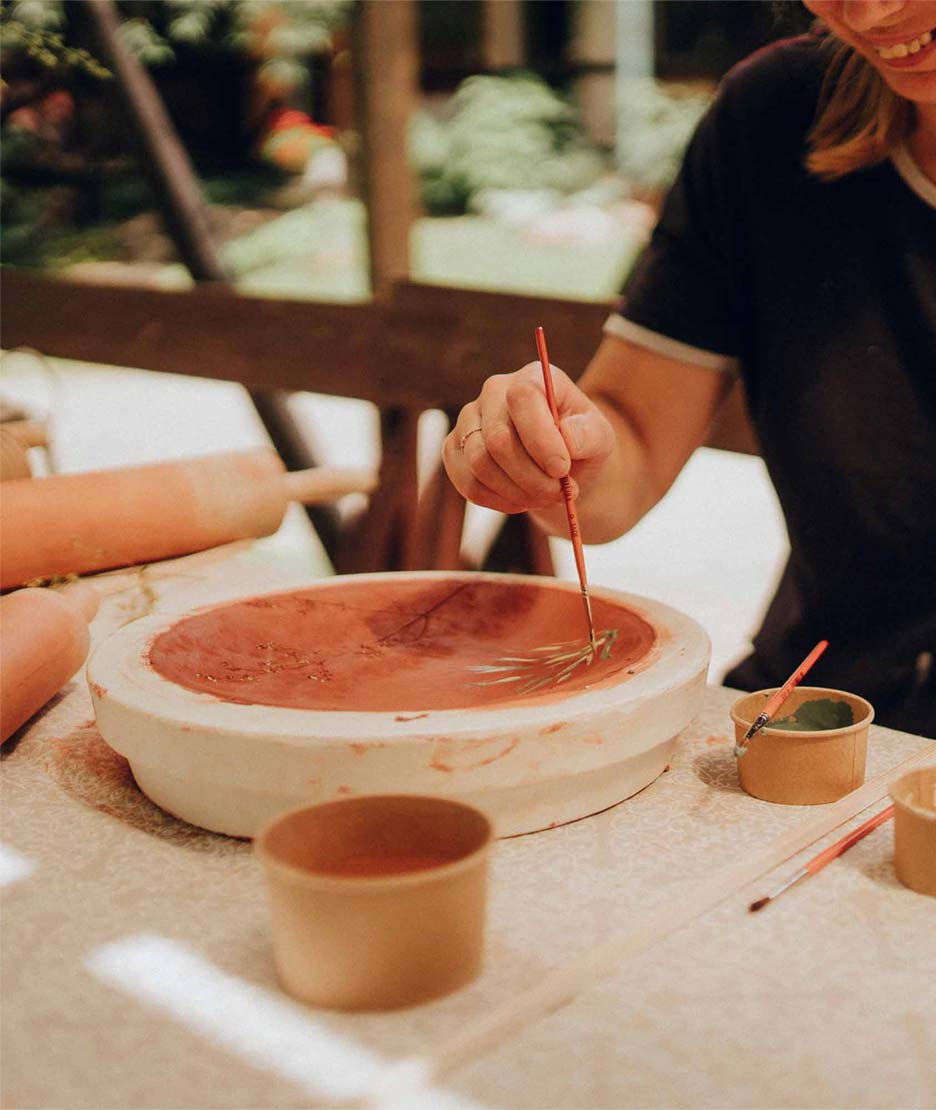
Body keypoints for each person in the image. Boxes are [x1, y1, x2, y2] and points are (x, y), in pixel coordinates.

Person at [443, 1, 936, 736]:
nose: (868, 10)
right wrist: (548, 454)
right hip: (814, 712)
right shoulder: (776, 116)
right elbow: (627, 451)